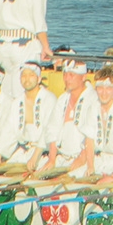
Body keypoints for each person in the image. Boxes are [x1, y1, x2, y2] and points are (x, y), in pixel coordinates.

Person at [44, 51, 102, 181]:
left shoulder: (93, 98)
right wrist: (51, 159)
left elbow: (92, 135)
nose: (67, 79)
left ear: (83, 77)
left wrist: (82, 158)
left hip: (83, 158)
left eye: (71, 75)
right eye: (65, 75)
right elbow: (52, 129)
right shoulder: (63, 99)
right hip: (61, 157)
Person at [0, 58, 59, 174]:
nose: (27, 79)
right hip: (23, 151)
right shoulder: (17, 102)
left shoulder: (49, 99)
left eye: (31, 75)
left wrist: (35, 156)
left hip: (42, 153)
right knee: (2, 173)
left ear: (39, 78)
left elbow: (49, 130)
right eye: (24, 75)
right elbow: (8, 130)